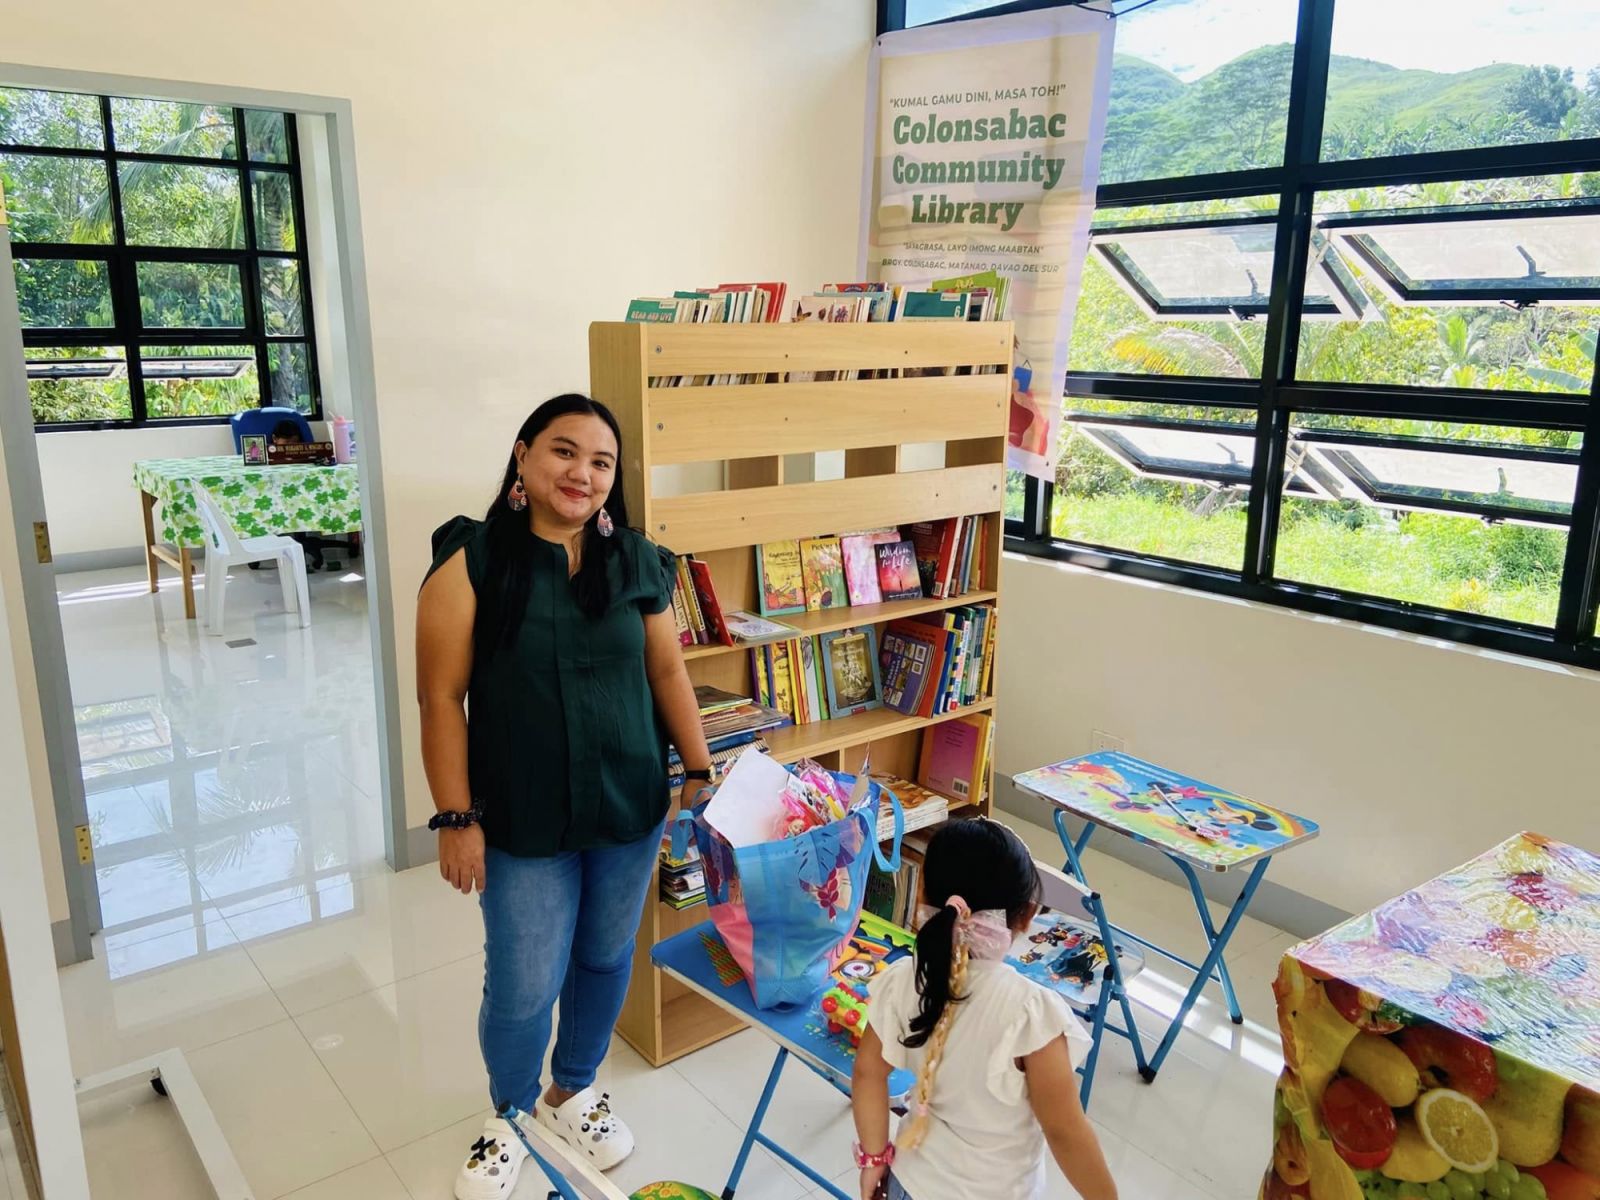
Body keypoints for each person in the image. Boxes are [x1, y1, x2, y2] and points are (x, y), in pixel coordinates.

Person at [415, 394, 714, 1200]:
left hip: (627, 806)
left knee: (606, 957)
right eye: (564, 451)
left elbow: (666, 670)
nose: (583, 472)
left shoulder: (636, 559)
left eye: (601, 462)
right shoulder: (472, 560)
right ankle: (511, 1114)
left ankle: (572, 1089)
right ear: (523, 456)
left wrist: (697, 768)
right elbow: (440, 699)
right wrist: (455, 818)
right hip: (520, 815)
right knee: (523, 984)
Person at [851, 819, 1119, 1200]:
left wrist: (873, 1158)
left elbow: (867, 1073)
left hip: (910, 1185)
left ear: (922, 895)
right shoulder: (1030, 1014)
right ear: (1027, 915)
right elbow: (1065, 1133)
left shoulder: (903, 979)